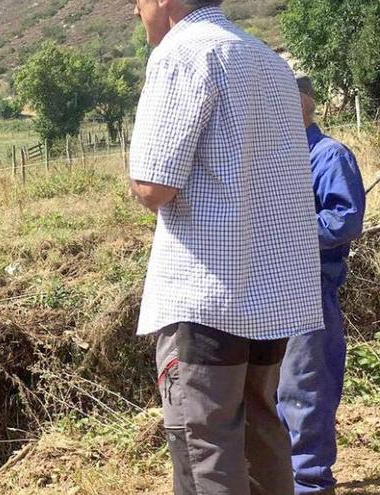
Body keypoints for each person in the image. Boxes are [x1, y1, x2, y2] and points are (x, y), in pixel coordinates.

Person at [128, 1, 324, 494]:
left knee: (205, 446)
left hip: (206, 293)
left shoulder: (182, 53)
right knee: (263, 430)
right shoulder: (269, 61)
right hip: (268, 294)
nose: (135, 10)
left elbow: (154, 186)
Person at [277, 75, 366, 495]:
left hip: (310, 288)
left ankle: (311, 484)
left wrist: (285, 230)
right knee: (275, 387)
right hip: (269, 287)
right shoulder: (277, 159)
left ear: (299, 106)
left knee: (305, 389)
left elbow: (344, 221)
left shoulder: (329, 157)